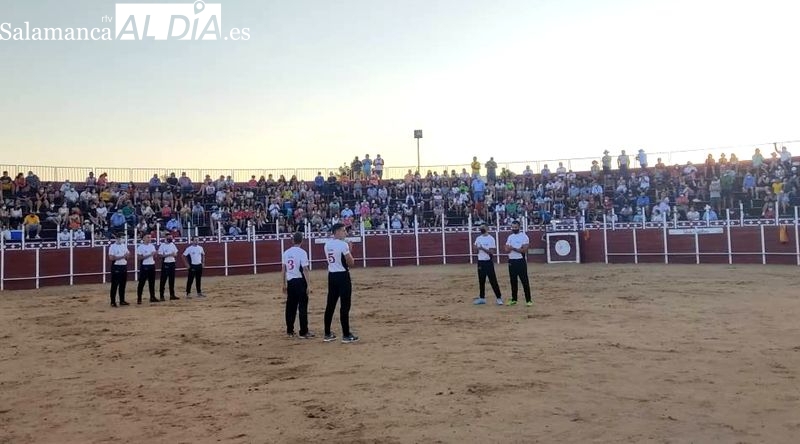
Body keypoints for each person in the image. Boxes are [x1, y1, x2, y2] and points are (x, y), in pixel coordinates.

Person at [323, 223, 358, 343]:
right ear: (337, 231)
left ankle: (327, 333)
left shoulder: (327, 244)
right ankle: (346, 335)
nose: (345, 233)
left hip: (332, 276)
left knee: (330, 305)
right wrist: (350, 250)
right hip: (343, 276)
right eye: (343, 231)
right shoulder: (343, 245)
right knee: (345, 306)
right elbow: (351, 263)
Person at [282, 231, 314, 339]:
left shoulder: (286, 253)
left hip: (290, 282)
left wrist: (283, 284)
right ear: (302, 241)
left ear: (292, 240)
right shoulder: (302, 252)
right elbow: (305, 269)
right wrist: (309, 284)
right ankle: (304, 331)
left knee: (290, 307)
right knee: (302, 307)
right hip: (300, 282)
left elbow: (284, 270)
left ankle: (290, 331)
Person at [473, 224, 503, 306]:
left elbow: (492, 252)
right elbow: (475, 249)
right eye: (480, 227)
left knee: (493, 280)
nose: (481, 229)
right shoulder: (478, 238)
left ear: (487, 228)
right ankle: (482, 298)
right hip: (480, 261)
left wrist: (482, 248)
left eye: (483, 227)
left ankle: (499, 297)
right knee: (481, 280)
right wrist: (476, 248)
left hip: (488, 261)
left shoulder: (491, 239)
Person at [504, 220, 533, 307]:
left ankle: (528, 300)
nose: (514, 229)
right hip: (512, 261)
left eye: (515, 227)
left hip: (520, 261)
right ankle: (514, 299)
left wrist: (512, 248)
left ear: (519, 227)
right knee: (513, 281)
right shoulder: (510, 237)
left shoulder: (524, 237)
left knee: (524, 281)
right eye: (513, 227)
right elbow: (506, 249)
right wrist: (516, 248)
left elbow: (524, 250)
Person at [108, 233, 130, 307]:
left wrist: (126, 256)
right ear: (118, 238)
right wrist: (122, 256)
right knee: (114, 285)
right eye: (122, 237)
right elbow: (111, 258)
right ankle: (113, 301)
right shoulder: (112, 247)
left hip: (123, 266)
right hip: (116, 267)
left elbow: (128, 255)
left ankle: (122, 300)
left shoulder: (124, 245)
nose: (123, 239)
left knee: (122, 285)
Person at [136, 234, 158, 304]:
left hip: (152, 265)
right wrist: (150, 255)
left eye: (150, 237)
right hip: (144, 266)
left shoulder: (152, 246)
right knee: (141, 283)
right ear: (143, 239)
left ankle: (152, 297)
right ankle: (139, 298)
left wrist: (155, 254)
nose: (149, 239)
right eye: (148, 237)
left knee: (152, 282)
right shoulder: (140, 247)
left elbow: (155, 256)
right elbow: (139, 258)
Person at [158, 233, 179, 301]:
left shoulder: (172, 245)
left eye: (171, 237)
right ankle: (161, 296)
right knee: (163, 280)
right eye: (169, 237)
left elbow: (176, 254)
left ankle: (172, 295)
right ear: (166, 238)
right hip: (166, 264)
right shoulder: (162, 245)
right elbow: (160, 255)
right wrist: (169, 254)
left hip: (172, 263)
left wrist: (173, 255)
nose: (171, 239)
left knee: (172, 280)